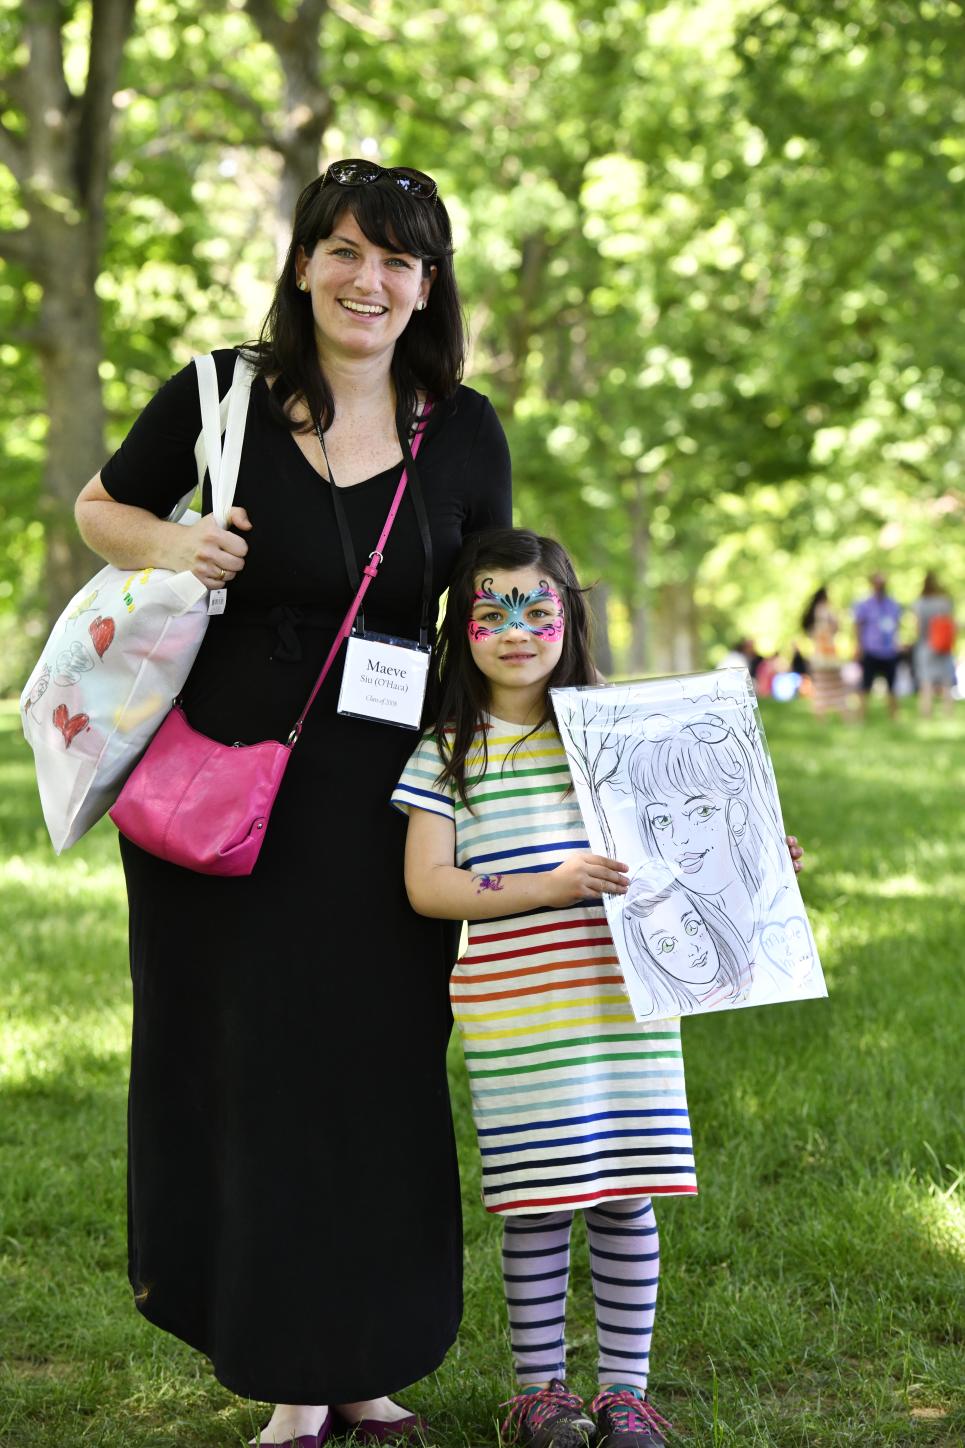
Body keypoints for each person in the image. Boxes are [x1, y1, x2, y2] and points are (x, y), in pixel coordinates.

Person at [73, 159, 512, 1447]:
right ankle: (287, 1375)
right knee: (250, 1072)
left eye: (397, 259)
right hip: (224, 801)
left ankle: (367, 1363)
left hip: (388, 808)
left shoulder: (465, 426)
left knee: (374, 1073)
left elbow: (497, 619)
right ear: (305, 262)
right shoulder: (221, 392)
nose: (367, 280)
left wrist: (623, 773)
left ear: (427, 284)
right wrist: (173, 542)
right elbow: (103, 505)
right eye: (343, 250)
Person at [392, 528, 804, 1448]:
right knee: (537, 1202)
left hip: (626, 1004)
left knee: (624, 1194)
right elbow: (428, 887)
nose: (514, 629)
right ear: (460, 628)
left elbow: (688, 838)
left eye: (536, 608)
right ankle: (539, 1396)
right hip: (519, 1015)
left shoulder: (623, 732)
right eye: (489, 610)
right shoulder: (448, 750)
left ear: (568, 619)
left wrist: (755, 867)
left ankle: (624, 1395)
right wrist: (548, 883)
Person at [853, 572, 902, 721]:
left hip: (889, 652)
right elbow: (857, 626)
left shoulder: (892, 605)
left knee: (892, 687)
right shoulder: (865, 605)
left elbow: (896, 626)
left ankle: (894, 718)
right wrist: (859, 646)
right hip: (871, 650)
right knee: (865, 686)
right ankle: (861, 717)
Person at [911, 572, 956, 718]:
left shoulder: (920, 604)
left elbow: (917, 629)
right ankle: (948, 714)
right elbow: (951, 625)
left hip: (925, 646)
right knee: (946, 682)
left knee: (926, 682)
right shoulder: (945, 602)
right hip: (943, 647)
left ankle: (926, 714)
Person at [801, 586, 847, 720]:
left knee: (821, 687)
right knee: (835, 687)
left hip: (818, 654)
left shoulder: (813, 613)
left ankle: (821, 718)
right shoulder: (826, 611)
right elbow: (836, 627)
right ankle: (843, 717)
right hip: (828, 655)